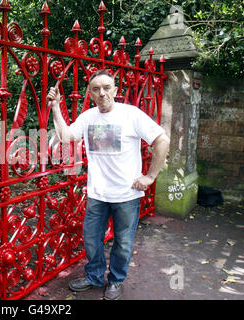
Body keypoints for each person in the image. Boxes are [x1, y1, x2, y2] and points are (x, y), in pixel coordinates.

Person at [47, 69, 170, 300]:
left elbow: (162, 140)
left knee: (123, 243)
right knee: (92, 239)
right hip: (97, 194)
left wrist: (150, 176)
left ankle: (115, 280)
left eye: (106, 88)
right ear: (91, 93)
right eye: (96, 89)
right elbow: (66, 136)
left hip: (127, 195)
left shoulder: (131, 114)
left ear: (115, 90)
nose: (101, 93)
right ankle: (93, 276)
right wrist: (55, 107)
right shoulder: (88, 116)